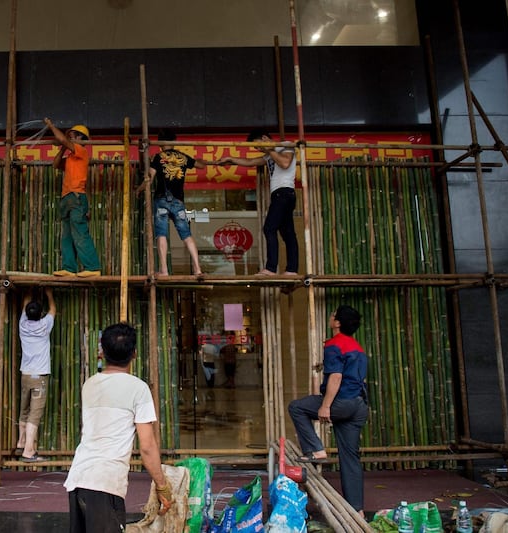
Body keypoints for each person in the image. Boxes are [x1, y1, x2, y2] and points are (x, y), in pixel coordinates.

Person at [64, 322, 173, 533]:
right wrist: (162, 485)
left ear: (102, 352)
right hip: (105, 483)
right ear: (134, 354)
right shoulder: (138, 389)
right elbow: (148, 446)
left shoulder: (90, 384)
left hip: (79, 478)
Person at [287, 305, 369, 517]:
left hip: (342, 402)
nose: (330, 317)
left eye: (333, 315)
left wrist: (325, 406)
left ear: (338, 323)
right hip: (359, 404)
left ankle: (315, 449)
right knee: (350, 457)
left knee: (296, 407)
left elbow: (336, 377)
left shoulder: (335, 344)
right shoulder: (357, 347)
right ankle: (357, 509)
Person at [220, 130, 299, 276]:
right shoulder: (270, 154)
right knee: (287, 233)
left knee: (269, 228)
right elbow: (251, 162)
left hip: (284, 192)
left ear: (264, 138)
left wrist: (268, 148)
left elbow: (285, 163)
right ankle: (291, 270)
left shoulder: (286, 146)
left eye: (258, 145)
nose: (259, 149)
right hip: (280, 194)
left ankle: (270, 268)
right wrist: (231, 159)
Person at [138, 129, 213, 276]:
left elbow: (149, 178)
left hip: (161, 200)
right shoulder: (182, 157)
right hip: (178, 202)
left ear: (160, 143)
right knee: (186, 235)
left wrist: (139, 190)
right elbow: (201, 165)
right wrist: (205, 160)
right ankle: (198, 269)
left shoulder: (158, 157)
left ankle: (164, 270)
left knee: (161, 234)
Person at [44, 118, 101, 278]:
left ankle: (93, 267)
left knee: (80, 232)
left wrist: (50, 125)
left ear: (81, 138)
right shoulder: (70, 157)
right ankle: (69, 268)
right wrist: (62, 149)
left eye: (73, 136)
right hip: (67, 198)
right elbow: (55, 165)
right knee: (67, 236)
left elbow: (62, 139)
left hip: (76, 197)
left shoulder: (81, 151)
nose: (70, 138)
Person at [16, 287, 56, 463]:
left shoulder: (22, 324)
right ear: (41, 314)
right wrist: (49, 294)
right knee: (35, 413)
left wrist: (28, 293)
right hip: (40, 377)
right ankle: (28, 451)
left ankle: (21, 442)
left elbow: (25, 304)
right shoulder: (44, 326)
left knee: (24, 410)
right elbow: (53, 310)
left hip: (25, 375)